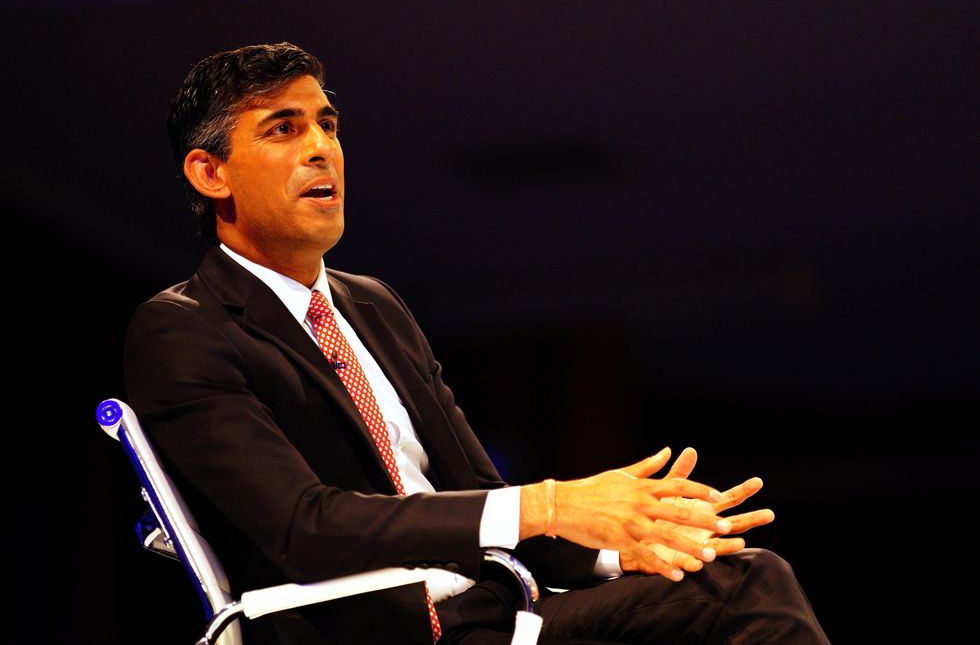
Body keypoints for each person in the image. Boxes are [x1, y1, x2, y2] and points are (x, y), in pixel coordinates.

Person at [124, 42, 830, 645]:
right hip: (393, 631)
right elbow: (303, 525)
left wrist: (623, 544)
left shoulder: (373, 304)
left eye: (327, 124)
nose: (320, 148)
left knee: (744, 579)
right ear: (210, 172)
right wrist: (553, 501)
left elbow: (478, 497)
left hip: (502, 615)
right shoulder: (185, 327)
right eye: (283, 129)